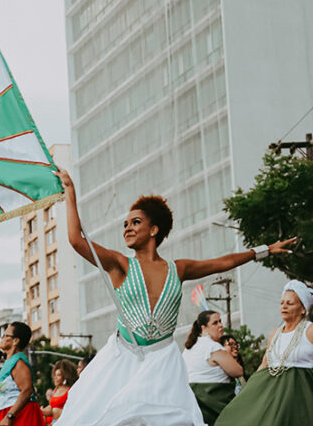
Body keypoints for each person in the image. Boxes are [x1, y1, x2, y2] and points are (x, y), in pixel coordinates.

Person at [53, 167, 296, 426]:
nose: (127, 228)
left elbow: (222, 262)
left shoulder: (177, 269)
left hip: (163, 362)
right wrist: (70, 192)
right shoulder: (120, 264)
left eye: (135, 222)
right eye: (125, 224)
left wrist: (265, 250)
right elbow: (77, 240)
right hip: (123, 360)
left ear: (154, 230)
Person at [214, 280, 313, 426]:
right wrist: (249, 391)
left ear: (303, 309)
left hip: (300, 397)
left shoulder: (309, 331)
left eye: (290, 303)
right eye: (281, 303)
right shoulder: (275, 333)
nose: (284, 306)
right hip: (273, 395)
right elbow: (264, 364)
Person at [182, 311, 242, 425]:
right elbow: (238, 371)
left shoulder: (187, 349)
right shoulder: (213, 347)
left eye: (220, 321)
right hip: (215, 406)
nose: (220, 325)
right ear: (204, 328)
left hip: (193, 409)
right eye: (215, 323)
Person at [0, 322, 43, 426]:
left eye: (6, 335)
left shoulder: (18, 361)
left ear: (15, 341)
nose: (2, 338)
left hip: (20, 415)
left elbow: (27, 390)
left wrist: (9, 416)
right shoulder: (10, 361)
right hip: (8, 412)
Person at [40, 360, 77, 424]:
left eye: (58, 375)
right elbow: (52, 409)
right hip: (54, 422)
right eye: (55, 375)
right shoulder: (56, 390)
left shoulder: (70, 390)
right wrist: (41, 411)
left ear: (65, 376)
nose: (55, 377)